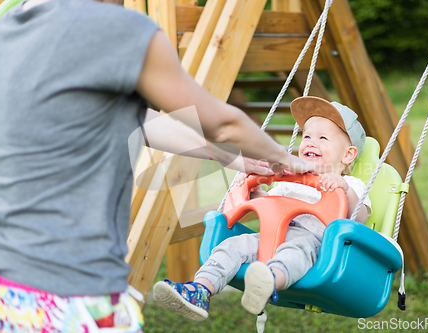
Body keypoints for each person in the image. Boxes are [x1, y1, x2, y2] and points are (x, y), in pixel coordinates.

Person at [0, 0, 315, 331]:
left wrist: (228, 156)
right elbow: (223, 124)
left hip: (2, 287)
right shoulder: (119, 29)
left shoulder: (4, 27)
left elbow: (140, 122)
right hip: (72, 290)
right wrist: (284, 158)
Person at [153, 96, 373, 321]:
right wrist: (253, 188)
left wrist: (344, 190)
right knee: (231, 246)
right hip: (270, 238)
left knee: (295, 252)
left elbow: (359, 219)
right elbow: (270, 203)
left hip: (314, 244)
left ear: (348, 155)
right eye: (306, 136)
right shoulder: (291, 180)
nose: (310, 142)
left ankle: (267, 282)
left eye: (323, 138)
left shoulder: (351, 185)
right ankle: (200, 290)